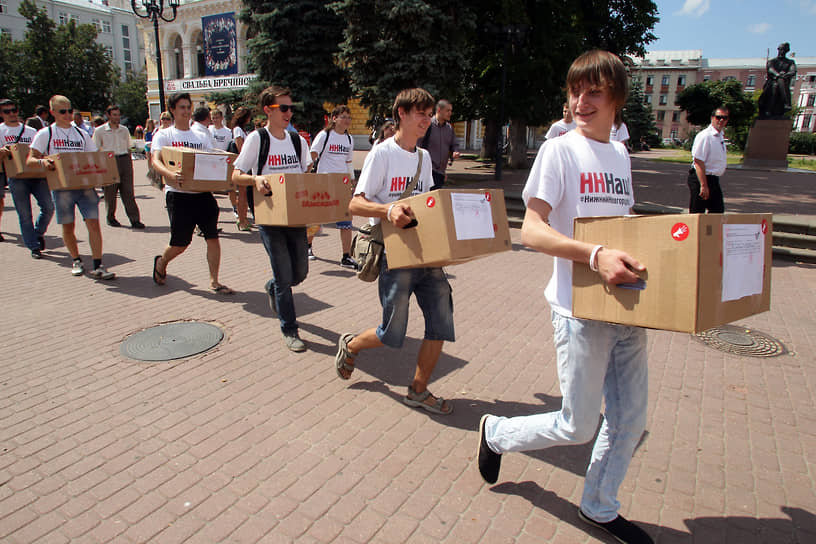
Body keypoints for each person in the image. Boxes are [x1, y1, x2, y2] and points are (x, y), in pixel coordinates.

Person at [476, 51, 654, 544]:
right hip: (578, 310)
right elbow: (531, 230)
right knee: (578, 426)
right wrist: (594, 254)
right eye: (575, 90)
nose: (581, 100)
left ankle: (599, 506)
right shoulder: (560, 151)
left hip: (626, 304)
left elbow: (622, 221)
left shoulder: (619, 153)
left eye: (594, 91)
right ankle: (496, 433)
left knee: (631, 421)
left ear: (616, 97)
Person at [335, 87, 455, 416]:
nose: (427, 121)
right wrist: (389, 211)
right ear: (401, 113)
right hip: (394, 253)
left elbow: (427, 201)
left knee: (441, 322)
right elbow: (355, 202)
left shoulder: (423, 157)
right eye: (421, 114)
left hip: (426, 254)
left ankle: (417, 390)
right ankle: (352, 344)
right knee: (392, 333)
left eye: (430, 115)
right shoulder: (382, 153)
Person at [231, 85, 312, 352]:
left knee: (299, 272)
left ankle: (273, 287)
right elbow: (236, 175)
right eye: (283, 108)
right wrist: (256, 179)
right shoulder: (258, 139)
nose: (289, 112)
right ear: (268, 110)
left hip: (296, 215)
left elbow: (306, 171)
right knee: (282, 271)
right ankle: (289, 329)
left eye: (291, 107)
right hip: (269, 216)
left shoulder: (297, 141)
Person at [150, 92, 233, 295]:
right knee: (180, 243)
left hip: (202, 194)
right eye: (182, 108)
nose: (186, 111)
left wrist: (225, 163)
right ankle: (161, 262)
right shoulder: (164, 135)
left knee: (212, 236)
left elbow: (212, 157)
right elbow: (155, 160)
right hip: (178, 195)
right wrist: (170, 173)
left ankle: (215, 281)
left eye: (188, 107)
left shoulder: (201, 135)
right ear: (173, 110)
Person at [26, 95, 115, 279]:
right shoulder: (46, 134)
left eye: (69, 110)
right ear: (52, 113)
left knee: (93, 224)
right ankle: (76, 259)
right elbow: (30, 160)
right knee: (68, 226)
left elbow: (93, 156)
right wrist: (44, 162)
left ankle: (98, 264)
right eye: (62, 111)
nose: (67, 114)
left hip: (84, 186)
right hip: (61, 188)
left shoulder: (81, 134)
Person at [2, 98, 54, 252]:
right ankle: (33, 246)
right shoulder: (0, 131)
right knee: (24, 214)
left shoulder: (31, 131)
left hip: (37, 175)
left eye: (14, 110)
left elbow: (42, 150)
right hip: (17, 178)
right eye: (7, 111)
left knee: (49, 207)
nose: (11, 114)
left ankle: (38, 233)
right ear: (1, 114)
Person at [309, 105, 357, 268]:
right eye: (343, 116)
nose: (347, 120)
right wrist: (305, 175)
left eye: (349, 117)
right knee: (316, 218)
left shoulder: (349, 139)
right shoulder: (325, 135)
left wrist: (352, 180)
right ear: (334, 118)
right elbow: (312, 156)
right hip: (324, 181)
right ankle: (308, 247)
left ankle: (346, 256)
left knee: (346, 220)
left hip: (341, 183)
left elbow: (348, 162)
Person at [93, 105, 144, 229]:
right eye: (114, 115)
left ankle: (135, 219)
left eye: (118, 115)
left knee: (128, 192)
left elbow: (128, 146)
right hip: (109, 160)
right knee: (110, 192)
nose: (117, 117)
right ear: (108, 115)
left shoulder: (124, 130)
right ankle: (111, 217)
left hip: (124, 158)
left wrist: (129, 161)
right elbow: (95, 148)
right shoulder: (100, 131)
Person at [687, 106, 729, 214]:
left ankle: (710, 231)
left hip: (713, 179)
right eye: (718, 117)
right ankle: (695, 231)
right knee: (697, 214)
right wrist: (703, 185)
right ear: (712, 118)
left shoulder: (720, 136)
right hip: (701, 178)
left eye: (724, 118)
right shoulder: (705, 136)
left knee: (717, 212)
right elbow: (698, 161)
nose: (721, 120)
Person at [419, 99, 460, 190]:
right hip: (427, 170)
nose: (450, 113)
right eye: (447, 110)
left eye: (451, 111)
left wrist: (455, 151)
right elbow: (417, 145)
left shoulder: (449, 128)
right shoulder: (428, 125)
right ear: (439, 110)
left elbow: (454, 144)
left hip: (440, 172)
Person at [229, 106, 253, 231]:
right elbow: (240, 148)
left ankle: (243, 218)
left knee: (244, 194)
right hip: (241, 166)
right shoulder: (238, 130)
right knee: (242, 194)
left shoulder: (242, 130)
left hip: (245, 165)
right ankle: (241, 220)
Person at [758, 42, 797, 119]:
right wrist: (778, 74)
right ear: (778, 49)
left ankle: (772, 109)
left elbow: (793, 71)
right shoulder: (772, 61)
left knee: (780, 82)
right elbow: (770, 69)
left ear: (787, 51)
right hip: (771, 82)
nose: (782, 51)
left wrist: (785, 75)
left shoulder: (790, 62)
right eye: (780, 49)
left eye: (784, 50)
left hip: (783, 82)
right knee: (776, 84)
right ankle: (787, 103)